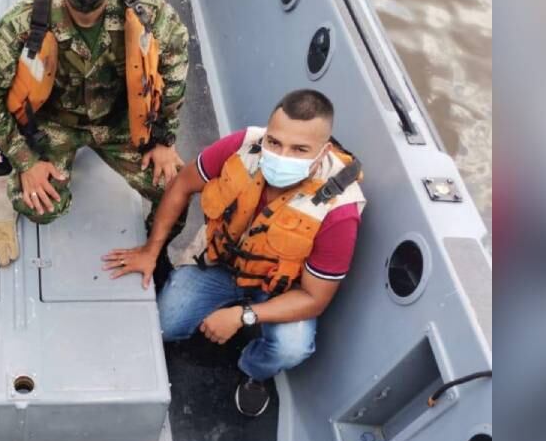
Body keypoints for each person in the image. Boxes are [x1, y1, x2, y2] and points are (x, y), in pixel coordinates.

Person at [103, 90, 366, 417]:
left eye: (300, 149)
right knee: (166, 323)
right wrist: (150, 251)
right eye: (275, 142)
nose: (282, 155)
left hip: (279, 291)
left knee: (291, 348)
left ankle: (253, 372)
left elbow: (314, 298)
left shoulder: (340, 211)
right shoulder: (244, 145)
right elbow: (182, 185)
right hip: (219, 263)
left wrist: (244, 316)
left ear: (323, 151)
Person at [0, 0, 190, 271]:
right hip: (54, 124)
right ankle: (3, 188)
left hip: (120, 124)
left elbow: (176, 69)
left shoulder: (149, 13)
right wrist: (26, 162)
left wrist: (164, 140)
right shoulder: (25, 23)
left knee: (176, 189)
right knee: (41, 206)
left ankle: (157, 254)